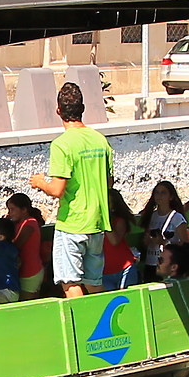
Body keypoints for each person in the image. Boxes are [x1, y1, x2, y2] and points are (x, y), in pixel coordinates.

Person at [29, 81, 114, 298]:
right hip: (97, 223)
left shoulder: (62, 144)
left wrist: (39, 182)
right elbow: (109, 183)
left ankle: (84, 327)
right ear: (82, 109)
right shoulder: (100, 140)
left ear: (58, 111)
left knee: (70, 282)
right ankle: (102, 326)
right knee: (94, 283)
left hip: (73, 224)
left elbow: (57, 189)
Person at [138, 181, 186, 281]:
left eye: (163, 193)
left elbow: (184, 245)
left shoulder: (176, 218)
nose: (159, 196)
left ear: (171, 197)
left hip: (167, 265)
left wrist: (163, 242)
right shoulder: (151, 216)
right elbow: (145, 243)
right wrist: (147, 241)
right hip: (150, 262)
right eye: (157, 192)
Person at [3, 191, 49, 297]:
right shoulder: (21, 223)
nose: (10, 213)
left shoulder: (29, 223)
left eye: (12, 210)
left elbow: (16, 245)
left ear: (24, 210)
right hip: (29, 271)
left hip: (30, 272)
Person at [101, 188, 139, 290]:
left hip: (125, 268)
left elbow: (114, 241)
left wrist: (105, 221)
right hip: (105, 271)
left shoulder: (119, 221)